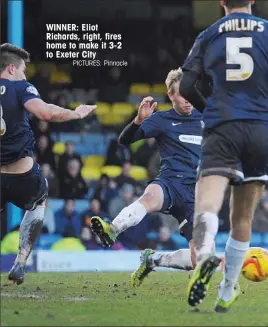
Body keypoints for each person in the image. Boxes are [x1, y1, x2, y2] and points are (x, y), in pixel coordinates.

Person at [179, 0, 268, 312]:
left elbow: (186, 85)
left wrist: (210, 110)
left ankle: (204, 257)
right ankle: (227, 290)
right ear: (252, 0)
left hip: (222, 127)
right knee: (242, 217)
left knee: (207, 205)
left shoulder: (209, 34)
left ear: (221, 2)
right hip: (260, 130)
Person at [89, 68, 202, 287]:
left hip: (196, 194)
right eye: (182, 94)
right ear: (171, 95)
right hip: (170, 182)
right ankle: (113, 228)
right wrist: (139, 121)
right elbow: (125, 140)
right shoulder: (161, 119)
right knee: (150, 198)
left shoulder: (206, 118)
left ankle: (153, 259)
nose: (188, 100)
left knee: (200, 258)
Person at [0, 43, 95, 284]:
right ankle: (21, 262)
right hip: (22, 173)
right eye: (22, 70)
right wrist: (77, 113)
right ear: (11, 68)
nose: (24, 75)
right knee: (40, 201)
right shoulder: (21, 87)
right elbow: (45, 113)